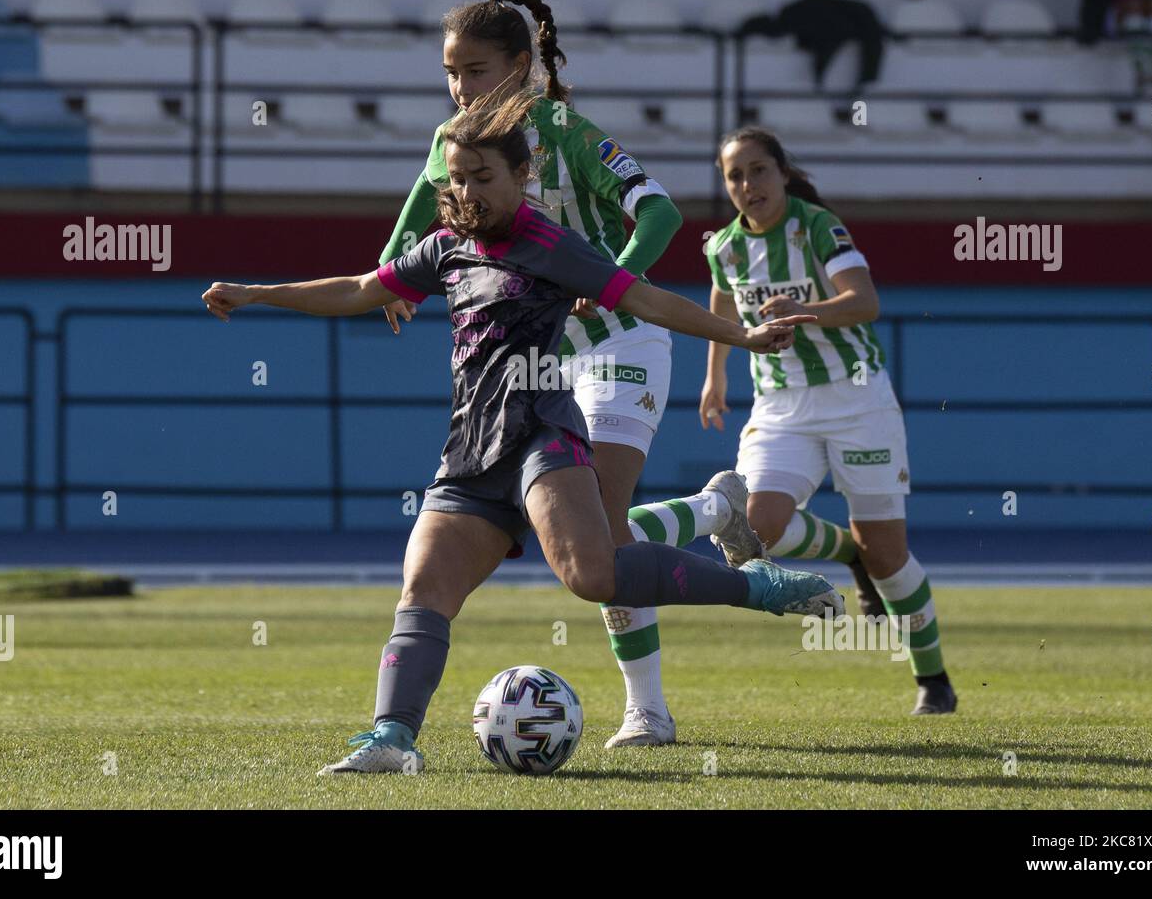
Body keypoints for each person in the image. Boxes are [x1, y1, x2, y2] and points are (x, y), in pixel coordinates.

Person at [201, 89, 845, 774]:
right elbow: (363, 288)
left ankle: (759, 587)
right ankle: (391, 739)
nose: (468, 190)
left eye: (483, 177)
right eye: (456, 177)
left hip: (544, 433)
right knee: (423, 591)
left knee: (593, 576)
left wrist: (741, 337)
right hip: (472, 449)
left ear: (520, 177)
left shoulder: (549, 244)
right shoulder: (445, 247)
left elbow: (648, 298)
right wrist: (258, 293)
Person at [376, 0, 774, 749]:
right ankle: (714, 514)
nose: (462, 88)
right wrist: (393, 275)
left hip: (620, 334)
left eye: (477, 70)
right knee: (596, 536)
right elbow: (416, 219)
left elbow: (657, 209)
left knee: (603, 524)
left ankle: (647, 710)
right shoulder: (451, 139)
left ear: (523, 67)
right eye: (452, 72)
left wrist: (613, 279)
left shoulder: (564, 129)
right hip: (544, 351)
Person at [700, 126, 957, 715]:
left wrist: (804, 310)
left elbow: (865, 301)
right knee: (750, 532)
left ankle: (934, 679)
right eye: (734, 176)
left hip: (855, 400)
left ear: (782, 172)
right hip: (781, 408)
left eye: (758, 170)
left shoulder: (818, 226)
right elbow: (721, 299)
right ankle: (846, 551)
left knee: (888, 554)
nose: (747, 185)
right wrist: (715, 374)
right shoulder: (725, 248)